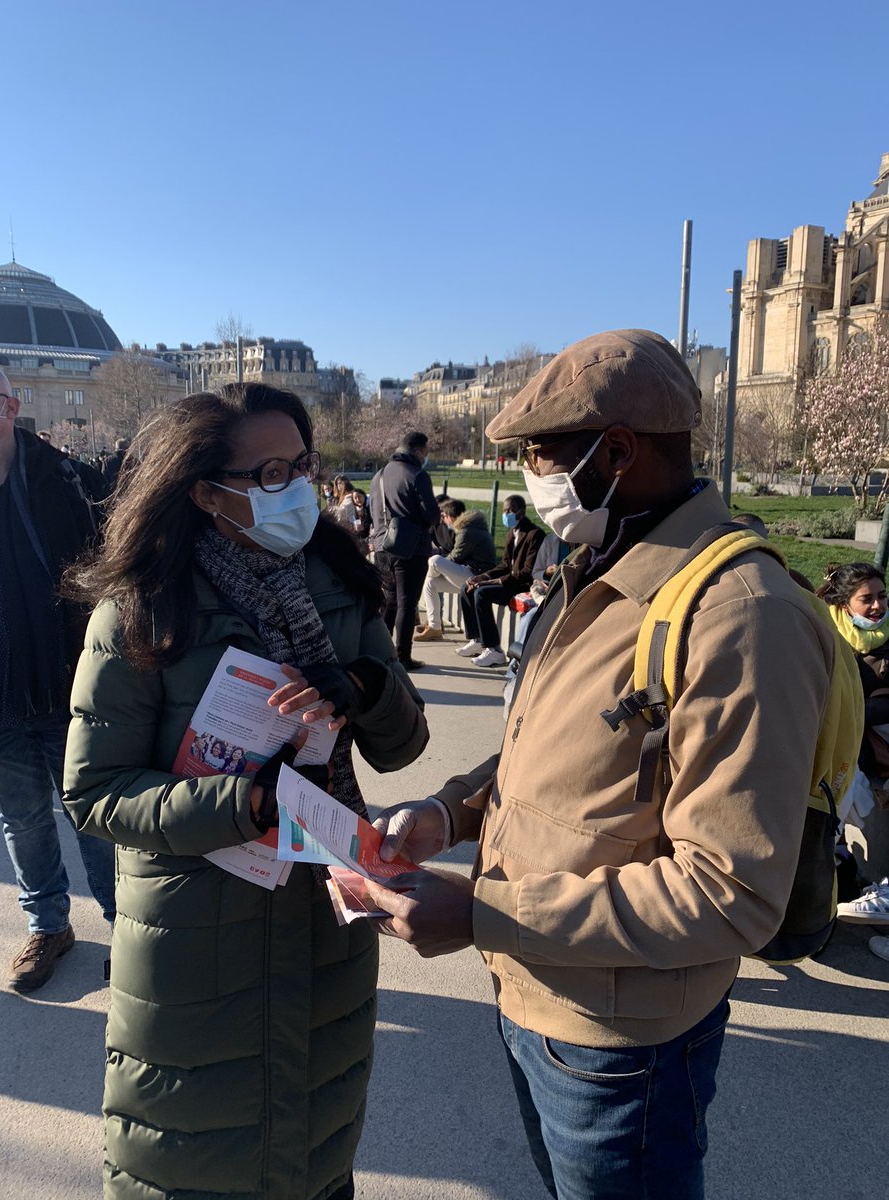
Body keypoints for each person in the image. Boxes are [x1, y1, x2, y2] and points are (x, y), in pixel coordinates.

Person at [365, 329, 834, 1200]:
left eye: (541, 455)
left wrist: (482, 913)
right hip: (537, 992)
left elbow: (732, 891)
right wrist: (449, 813)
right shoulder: (597, 565)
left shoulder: (742, 616)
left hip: (621, 1048)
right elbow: (549, 752)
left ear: (617, 452)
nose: (531, 477)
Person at [62, 382, 429, 1200]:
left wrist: (364, 685)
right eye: (270, 475)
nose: (297, 488)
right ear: (201, 488)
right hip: (197, 930)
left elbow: (404, 746)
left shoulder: (339, 581)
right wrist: (245, 805)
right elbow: (93, 794)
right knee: (194, 1156)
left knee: (316, 1151)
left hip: (327, 916)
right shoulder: (142, 608)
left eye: (303, 466)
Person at [0, 365, 115, 992]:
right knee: (23, 819)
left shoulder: (65, 481)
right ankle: (48, 926)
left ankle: (131, 931)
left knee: (90, 815)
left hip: (66, 684)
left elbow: (108, 570)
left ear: (9, 408)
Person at [815, 562, 889, 939]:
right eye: (867, 600)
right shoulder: (826, 637)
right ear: (844, 606)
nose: (877, 606)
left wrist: (864, 703)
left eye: (882, 596)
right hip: (841, 755)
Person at [370, 430, 440, 671]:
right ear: (418, 451)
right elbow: (431, 515)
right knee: (406, 604)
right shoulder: (417, 475)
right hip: (410, 548)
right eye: (426, 452)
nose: (426, 457)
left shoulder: (378, 475)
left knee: (389, 602)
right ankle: (403, 656)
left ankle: (380, 651)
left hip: (382, 546)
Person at [456, 494, 543, 667]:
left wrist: (490, 583)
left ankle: (494, 650)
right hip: (509, 582)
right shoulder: (512, 532)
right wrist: (483, 577)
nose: (507, 513)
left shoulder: (534, 534)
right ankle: (477, 640)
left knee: (481, 593)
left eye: (511, 510)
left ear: (522, 511)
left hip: (520, 585)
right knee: (466, 587)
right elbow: (504, 565)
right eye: (505, 510)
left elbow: (526, 572)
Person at [414, 499, 497, 642]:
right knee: (431, 583)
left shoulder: (467, 532)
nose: (444, 520)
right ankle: (435, 627)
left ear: (450, 516)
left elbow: (454, 558)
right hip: (470, 573)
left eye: (444, 516)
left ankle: (433, 622)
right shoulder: (469, 528)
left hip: (477, 576)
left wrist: (438, 568)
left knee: (435, 561)